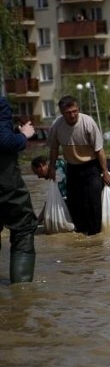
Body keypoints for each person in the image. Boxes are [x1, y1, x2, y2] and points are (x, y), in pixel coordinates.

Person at [46, 95, 110, 235]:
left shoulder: (88, 123)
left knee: (93, 202)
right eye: (68, 113)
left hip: (91, 167)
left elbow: (99, 150)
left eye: (75, 111)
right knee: (75, 204)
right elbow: (54, 149)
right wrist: (51, 167)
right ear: (62, 113)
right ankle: (81, 235)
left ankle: (95, 236)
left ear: (78, 109)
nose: (72, 115)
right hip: (73, 168)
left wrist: (105, 171)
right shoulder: (57, 126)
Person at [1, 95, 37, 283]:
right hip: (4, 181)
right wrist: (24, 134)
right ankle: (21, 296)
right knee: (23, 227)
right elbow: (4, 141)